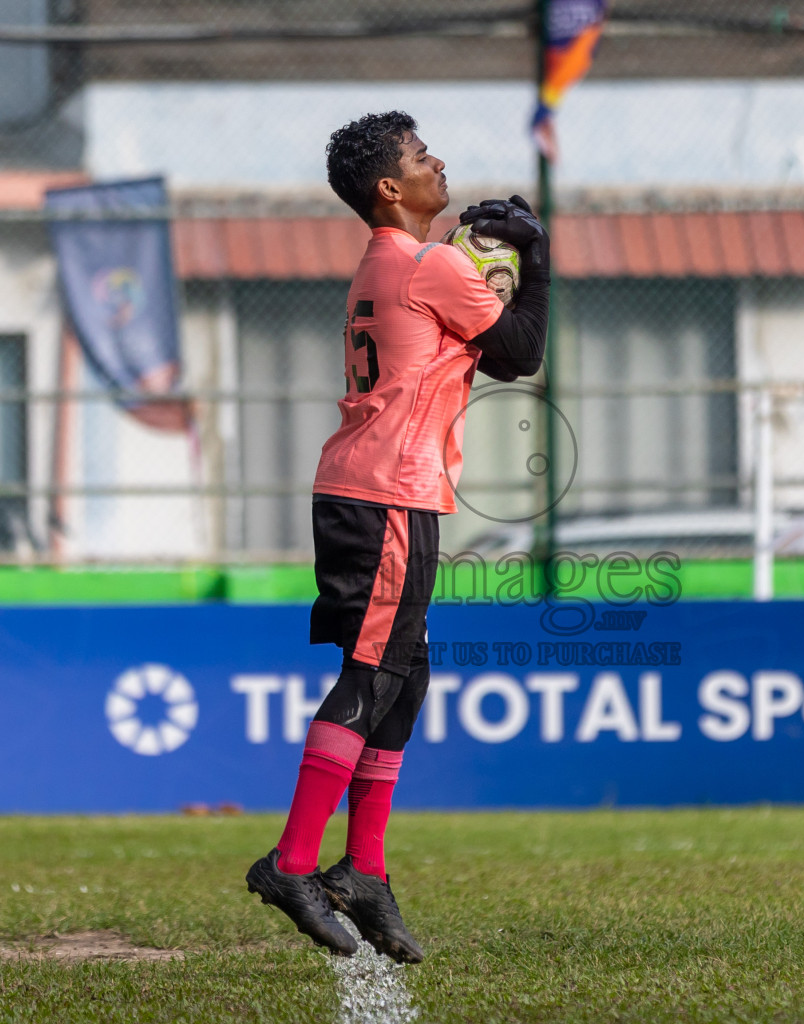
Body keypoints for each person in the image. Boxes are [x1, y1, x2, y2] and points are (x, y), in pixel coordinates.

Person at [245, 111, 550, 964]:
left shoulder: (395, 263)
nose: (437, 163)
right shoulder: (430, 264)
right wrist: (537, 260)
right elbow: (519, 353)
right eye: (420, 157)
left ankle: (364, 871)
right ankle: (293, 862)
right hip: (382, 497)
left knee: (404, 678)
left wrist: (485, 252)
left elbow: (482, 352)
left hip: (381, 495)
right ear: (388, 188)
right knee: (373, 673)